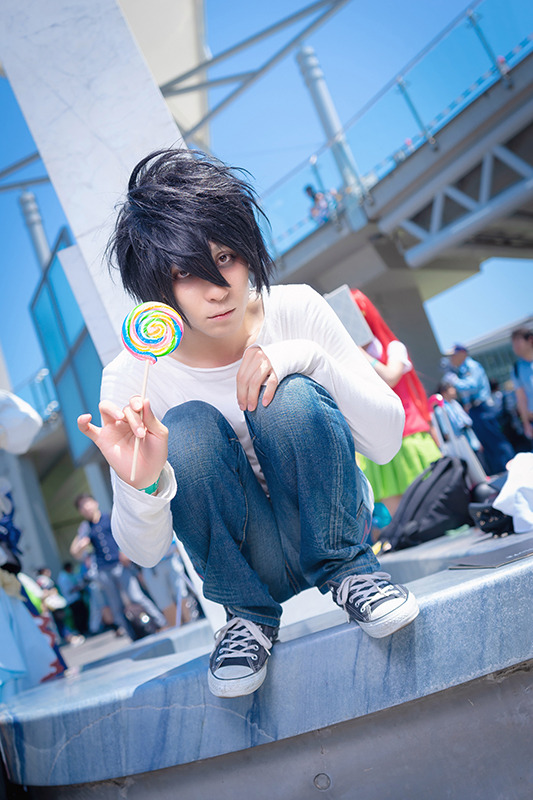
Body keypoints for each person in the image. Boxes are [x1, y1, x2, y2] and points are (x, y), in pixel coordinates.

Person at [77, 148, 419, 700]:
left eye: (227, 257)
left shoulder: (295, 309)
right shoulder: (133, 377)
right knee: (184, 428)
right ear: (155, 286)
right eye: (186, 273)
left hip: (334, 527)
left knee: (287, 392)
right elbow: (144, 554)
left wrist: (305, 358)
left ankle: (353, 573)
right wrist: (143, 483)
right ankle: (247, 618)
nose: (218, 288)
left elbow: (385, 442)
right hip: (244, 563)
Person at [350, 289, 441, 523]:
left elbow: (391, 376)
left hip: (408, 435)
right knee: (400, 520)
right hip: (378, 440)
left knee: (431, 508)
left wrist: (360, 354)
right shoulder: (347, 357)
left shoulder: (392, 348)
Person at [70, 494, 167, 639]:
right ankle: (131, 635)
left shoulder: (110, 517)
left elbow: (125, 534)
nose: (86, 508)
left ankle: (161, 623)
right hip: (103, 570)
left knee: (136, 596)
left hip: (120, 565)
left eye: (87, 503)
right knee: (116, 606)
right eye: (82, 507)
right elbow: (74, 552)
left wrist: (125, 552)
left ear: (95, 503)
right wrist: (81, 545)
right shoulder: (85, 528)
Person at [442, 345, 514, 475]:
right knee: (486, 443)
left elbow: (473, 385)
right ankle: (500, 472)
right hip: (475, 409)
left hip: (483, 408)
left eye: (453, 355)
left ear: (462, 353)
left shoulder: (472, 366)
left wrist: (455, 381)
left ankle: (511, 467)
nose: (451, 359)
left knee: (495, 440)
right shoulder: (461, 370)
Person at [510, 328, 533, 442]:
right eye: (513, 343)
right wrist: (526, 424)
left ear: (530, 340)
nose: (515, 346)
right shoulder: (516, 368)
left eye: (518, 341)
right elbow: (521, 398)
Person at [56, 561, 90, 636]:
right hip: (72, 600)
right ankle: (81, 630)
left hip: (76, 598)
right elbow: (68, 590)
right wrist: (78, 588)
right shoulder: (63, 578)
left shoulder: (68, 575)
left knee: (82, 614)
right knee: (78, 616)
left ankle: (84, 629)